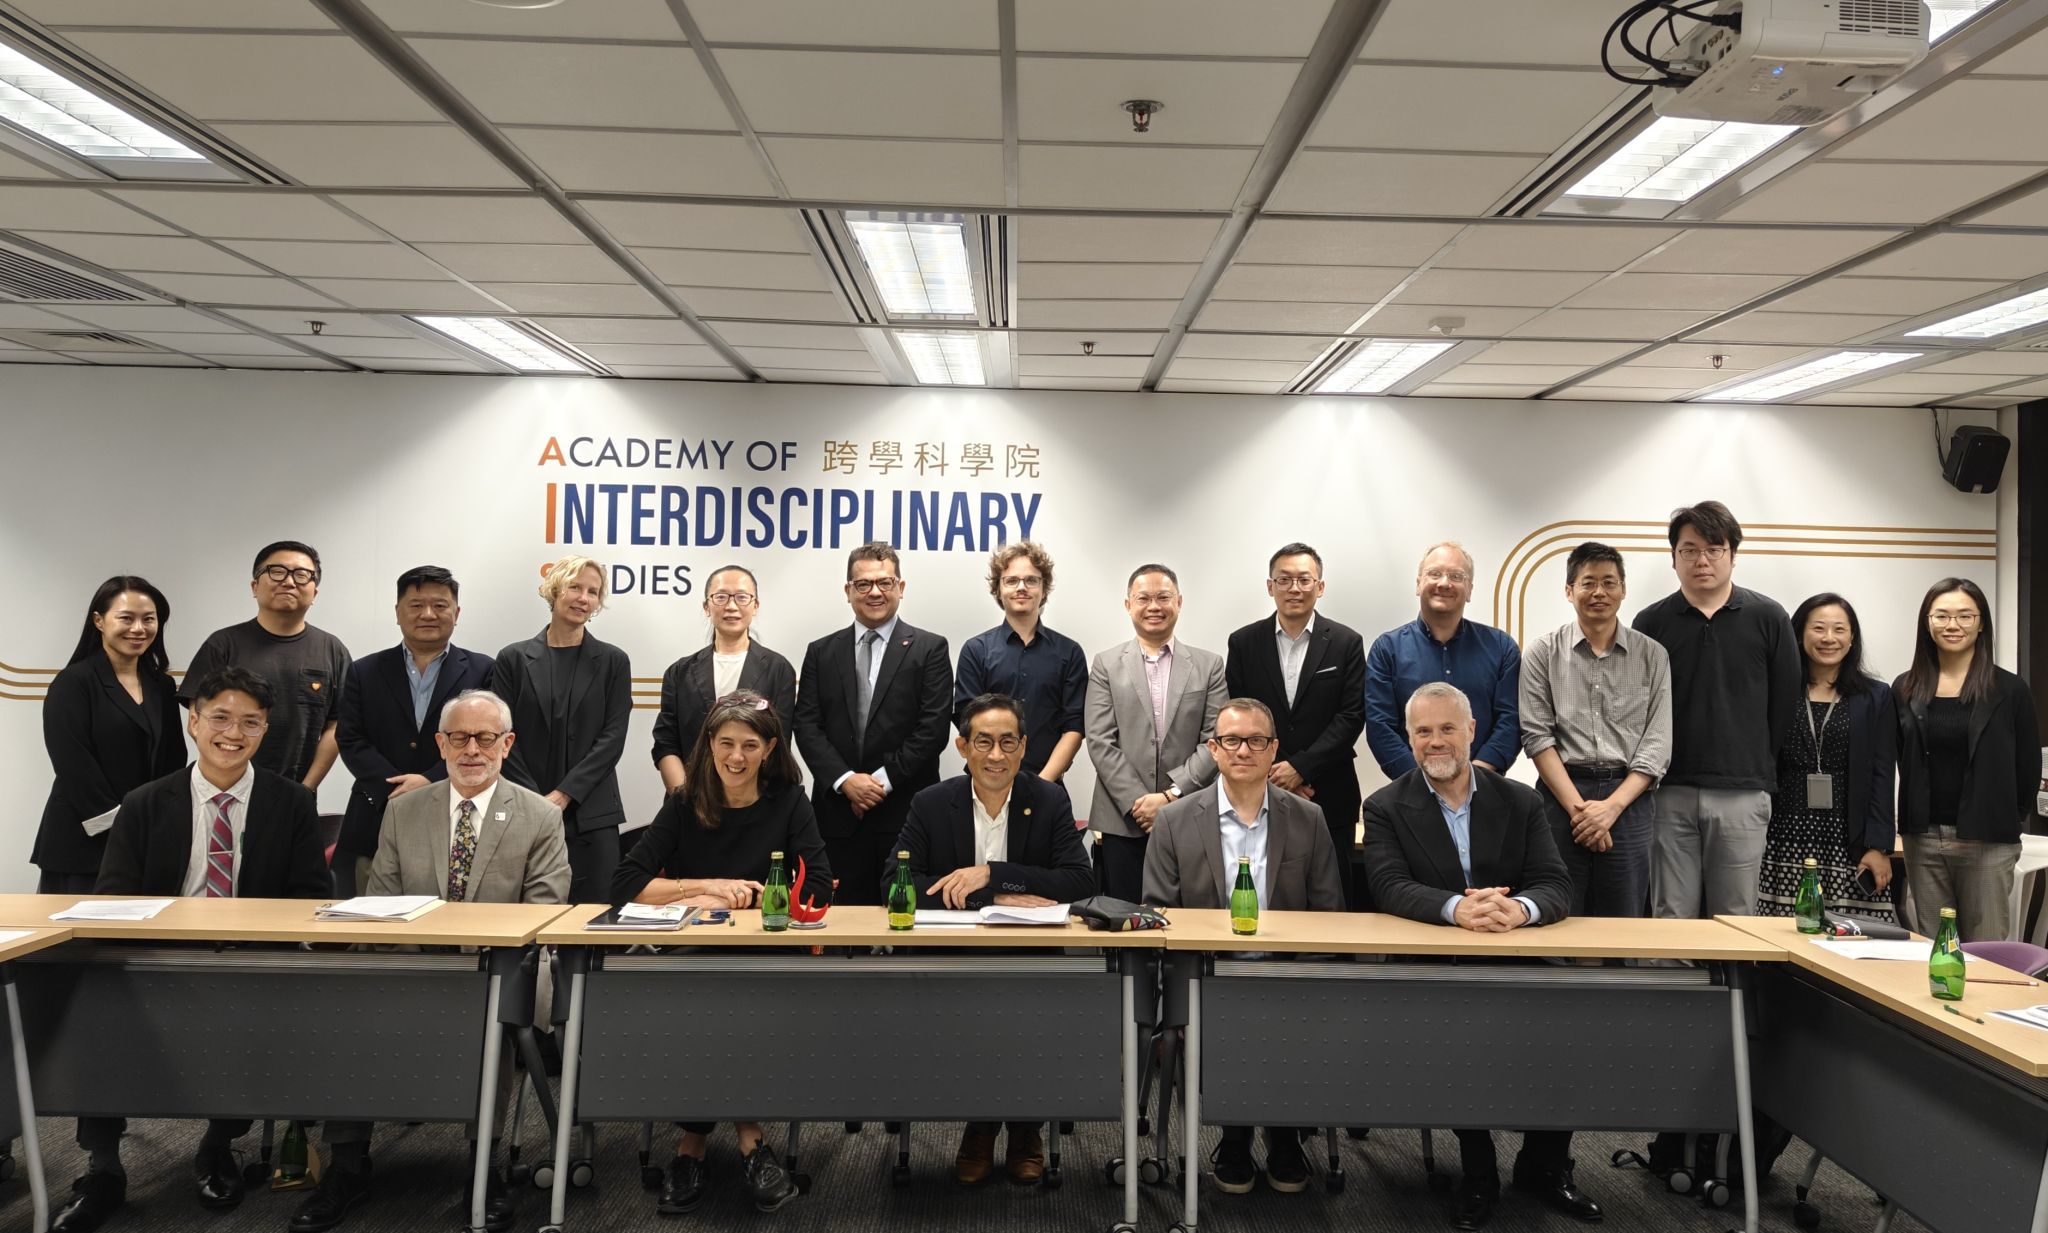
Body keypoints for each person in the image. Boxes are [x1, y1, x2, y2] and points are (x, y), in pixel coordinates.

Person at [51, 667, 329, 1233]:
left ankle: (217, 1145)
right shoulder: (146, 802)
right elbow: (113, 899)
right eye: (220, 718)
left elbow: (310, 900)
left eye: (250, 722)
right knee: (94, 1006)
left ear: (264, 729)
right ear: (194, 722)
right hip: (157, 959)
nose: (234, 732)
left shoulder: (292, 802)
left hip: (249, 961)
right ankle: (103, 1169)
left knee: (254, 1006)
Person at [296, 689, 568, 1233]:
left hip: (500, 973)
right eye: (459, 738)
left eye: (485, 738)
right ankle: (348, 1166)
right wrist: (417, 972)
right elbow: (382, 903)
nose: (472, 749)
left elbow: (544, 917)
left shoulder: (539, 817)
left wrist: (471, 968)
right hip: (412, 966)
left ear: (506, 743)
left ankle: (483, 1167)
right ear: (440, 744)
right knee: (350, 1007)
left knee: (493, 1015)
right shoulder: (402, 810)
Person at [1363, 682, 1589, 1231]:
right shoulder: (1386, 805)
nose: (1435, 742)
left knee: (1575, 1018)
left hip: (1518, 956)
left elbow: (1555, 884)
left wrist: (1522, 911)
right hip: (1436, 965)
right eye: (1423, 732)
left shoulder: (1521, 799)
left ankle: (1543, 1165)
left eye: (1447, 729)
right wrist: (1454, 910)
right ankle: (1479, 1172)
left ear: (1471, 732)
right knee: (1458, 1030)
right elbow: (1388, 886)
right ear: (1409, 739)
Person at [614, 691, 830, 1216]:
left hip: (767, 957)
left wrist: (763, 895)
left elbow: (819, 887)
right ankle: (751, 1141)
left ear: (770, 748)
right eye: (726, 742)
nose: (736, 756)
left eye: (750, 745)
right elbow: (625, 882)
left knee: (731, 1006)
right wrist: (701, 888)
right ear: (709, 744)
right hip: (693, 954)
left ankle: (691, 1147)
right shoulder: (685, 801)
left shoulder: (788, 802)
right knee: (703, 1003)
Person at [884, 693, 1095, 1187]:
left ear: (1024, 749)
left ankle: (1025, 1130)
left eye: (1007, 743)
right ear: (962, 746)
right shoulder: (932, 802)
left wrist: (994, 874)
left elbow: (1080, 881)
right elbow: (897, 884)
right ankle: (979, 1125)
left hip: (1034, 959)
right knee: (975, 1015)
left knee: (1029, 1013)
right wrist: (990, 900)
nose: (995, 755)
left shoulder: (1048, 800)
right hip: (954, 960)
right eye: (983, 742)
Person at [1143, 697, 1344, 1194]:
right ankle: (1234, 1136)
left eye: (1257, 740)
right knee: (1228, 1012)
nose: (1244, 750)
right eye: (1231, 740)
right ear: (1213, 749)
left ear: (1274, 748)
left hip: (1286, 978)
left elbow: (1329, 916)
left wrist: (1304, 976)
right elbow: (1157, 919)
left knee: (1282, 1012)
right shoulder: (1175, 820)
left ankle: (1281, 1135)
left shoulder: (1309, 818)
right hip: (1205, 978)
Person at [1632, 502, 1801, 921]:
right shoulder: (1651, 622)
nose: (1701, 560)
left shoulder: (1769, 617)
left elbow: (1784, 703)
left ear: (1732, 555)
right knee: (1671, 912)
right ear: (1673, 559)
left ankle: (1736, 991)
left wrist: (1755, 762)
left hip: (1742, 791)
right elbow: (1636, 707)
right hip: (1667, 790)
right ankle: (1675, 988)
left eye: (1714, 549)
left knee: (1737, 915)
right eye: (1689, 550)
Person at [793, 541, 952, 905]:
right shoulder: (821, 651)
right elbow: (806, 726)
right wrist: (846, 781)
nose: (875, 592)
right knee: (840, 928)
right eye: (863, 584)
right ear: (848, 591)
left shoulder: (930, 649)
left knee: (907, 922)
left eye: (885, 582)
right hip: (837, 815)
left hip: (908, 812)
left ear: (901, 587)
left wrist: (877, 784)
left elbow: (932, 730)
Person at [1518, 542, 1672, 918]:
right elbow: (1537, 736)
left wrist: (1611, 808)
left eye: (1609, 582)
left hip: (1630, 801)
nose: (1599, 592)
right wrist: (1581, 812)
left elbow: (1658, 741)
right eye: (1588, 583)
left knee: (1625, 919)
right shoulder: (1542, 652)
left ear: (1623, 589)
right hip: (1561, 796)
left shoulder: (1652, 654)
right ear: (1569, 591)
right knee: (1557, 913)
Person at [331, 566, 492, 897]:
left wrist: (430, 781)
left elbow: (488, 739)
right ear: (398, 612)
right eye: (417, 605)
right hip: (376, 812)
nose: (428, 614)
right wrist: (395, 787)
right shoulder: (364, 670)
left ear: (456, 612)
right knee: (372, 927)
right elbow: (350, 738)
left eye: (440, 605)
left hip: (457, 812)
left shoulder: (483, 669)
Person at [1895, 578, 2040, 941]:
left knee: (1986, 950)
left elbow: (2027, 765)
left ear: (1981, 623)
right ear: (1927, 623)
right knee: (1932, 947)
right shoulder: (1906, 687)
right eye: (1941, 616)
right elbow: (1899, 755)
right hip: (1923, 838)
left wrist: (2009, 820)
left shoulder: (2009, 690)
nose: (1952, 625)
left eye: (1964, 616)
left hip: (1987, 839)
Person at [1224, 542, 1367, 906]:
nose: (1294, 588)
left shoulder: (1346, 642)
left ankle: (1330, 964)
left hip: (1328, 792)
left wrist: (1301, 768)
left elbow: (1351, 716)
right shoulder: (1243, 642)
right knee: (1269, 886)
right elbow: (1241, 712)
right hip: (1260, 789)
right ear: (1270, 586)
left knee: (1330, 895)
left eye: (1304, 579)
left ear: (1320, 586)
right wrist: (1277, 770)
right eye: (1284, 580)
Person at [493, 555, 632, 905]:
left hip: (591, 814)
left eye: (593, 592)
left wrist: (563, 795)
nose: (583, 598)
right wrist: (536, 800)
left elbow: (612, 739)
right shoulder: (513, 658)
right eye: (575, 587)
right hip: (523, 808)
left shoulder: (614, 661)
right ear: (554, 590)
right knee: (518, 923)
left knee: (589, 925)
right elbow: (500, 737)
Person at [1084, 563, 1228, 902]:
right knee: (1126, 920)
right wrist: (1140, 803)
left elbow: (1215, 741)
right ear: (1128, 605)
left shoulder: (1209, 666)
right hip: (1124, 820)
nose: (1154, 606)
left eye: (1163, 597)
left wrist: (1170, 797)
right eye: (1143, 598)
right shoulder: (1105, 663)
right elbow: (1100, 739)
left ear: (1178, 601)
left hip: (1190, 811)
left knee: (1190, 921)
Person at [35, 576, 184, 894]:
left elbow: (173, 760)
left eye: (149, 619)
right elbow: (74, 765)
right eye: (126, 618)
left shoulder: (161, 685)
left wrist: (162, 821)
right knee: (81, 942)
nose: (138, 629)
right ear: (99, 621)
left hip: (148, 839)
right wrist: (125, 825)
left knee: (142, 941)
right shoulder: (73, 682)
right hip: (83, 842)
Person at [1758, 594, 1897, 923]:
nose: (1828, 638)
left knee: (1854, 940)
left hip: (1848, 837)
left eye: (1839, 629)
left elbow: (1881, 773)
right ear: (1799, 634)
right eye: (1818, 628)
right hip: (1781, 833)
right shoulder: (1775, 690)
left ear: (1852, 638)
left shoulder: (1875, 696)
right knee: (1781, 933)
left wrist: (1878, 846)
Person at [181, 540, 352, 787]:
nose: (289, 581)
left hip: (297, 793)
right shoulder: (222, 644)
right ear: (254, 586)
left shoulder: (332, 650)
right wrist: (231, 777)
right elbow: (199, 719)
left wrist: (307, 788)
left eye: (302, 575)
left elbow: (338, 726)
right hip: (225, 789)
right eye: (277, 572)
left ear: (314, 593)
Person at [1366, 542, 1521, 781]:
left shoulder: (1501, 648)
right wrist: (1422, 784)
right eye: (1434, 574)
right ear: (1418, 584)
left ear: (1469, 590)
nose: (1444, 583)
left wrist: (1474, 779)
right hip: (1412, 794)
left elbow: (1510, 720)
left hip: (1484, 790)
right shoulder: (1387, 650)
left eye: (1456, 576)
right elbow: (1380, 726)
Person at [651, 564, 796, 795]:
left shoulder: (778, 669)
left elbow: (778, 745)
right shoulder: (679, 672)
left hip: (756, 803)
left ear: (755, 606)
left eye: (741, 597)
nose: (731, 606)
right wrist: (685, 796)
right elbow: (666, 743)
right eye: (720, 597)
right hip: (690, 800)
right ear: (706, 607)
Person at [952, 541, 1087, 782]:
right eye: (1011, 580)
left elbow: (1074, 727)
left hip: (1048, 785)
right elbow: (968, 722)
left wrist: (1042, 785)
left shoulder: (1070, 653)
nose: (1021, 587)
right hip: (985, 783)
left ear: (1044, 589)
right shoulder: (976, 651)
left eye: (1031, 580)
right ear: (998, 589)